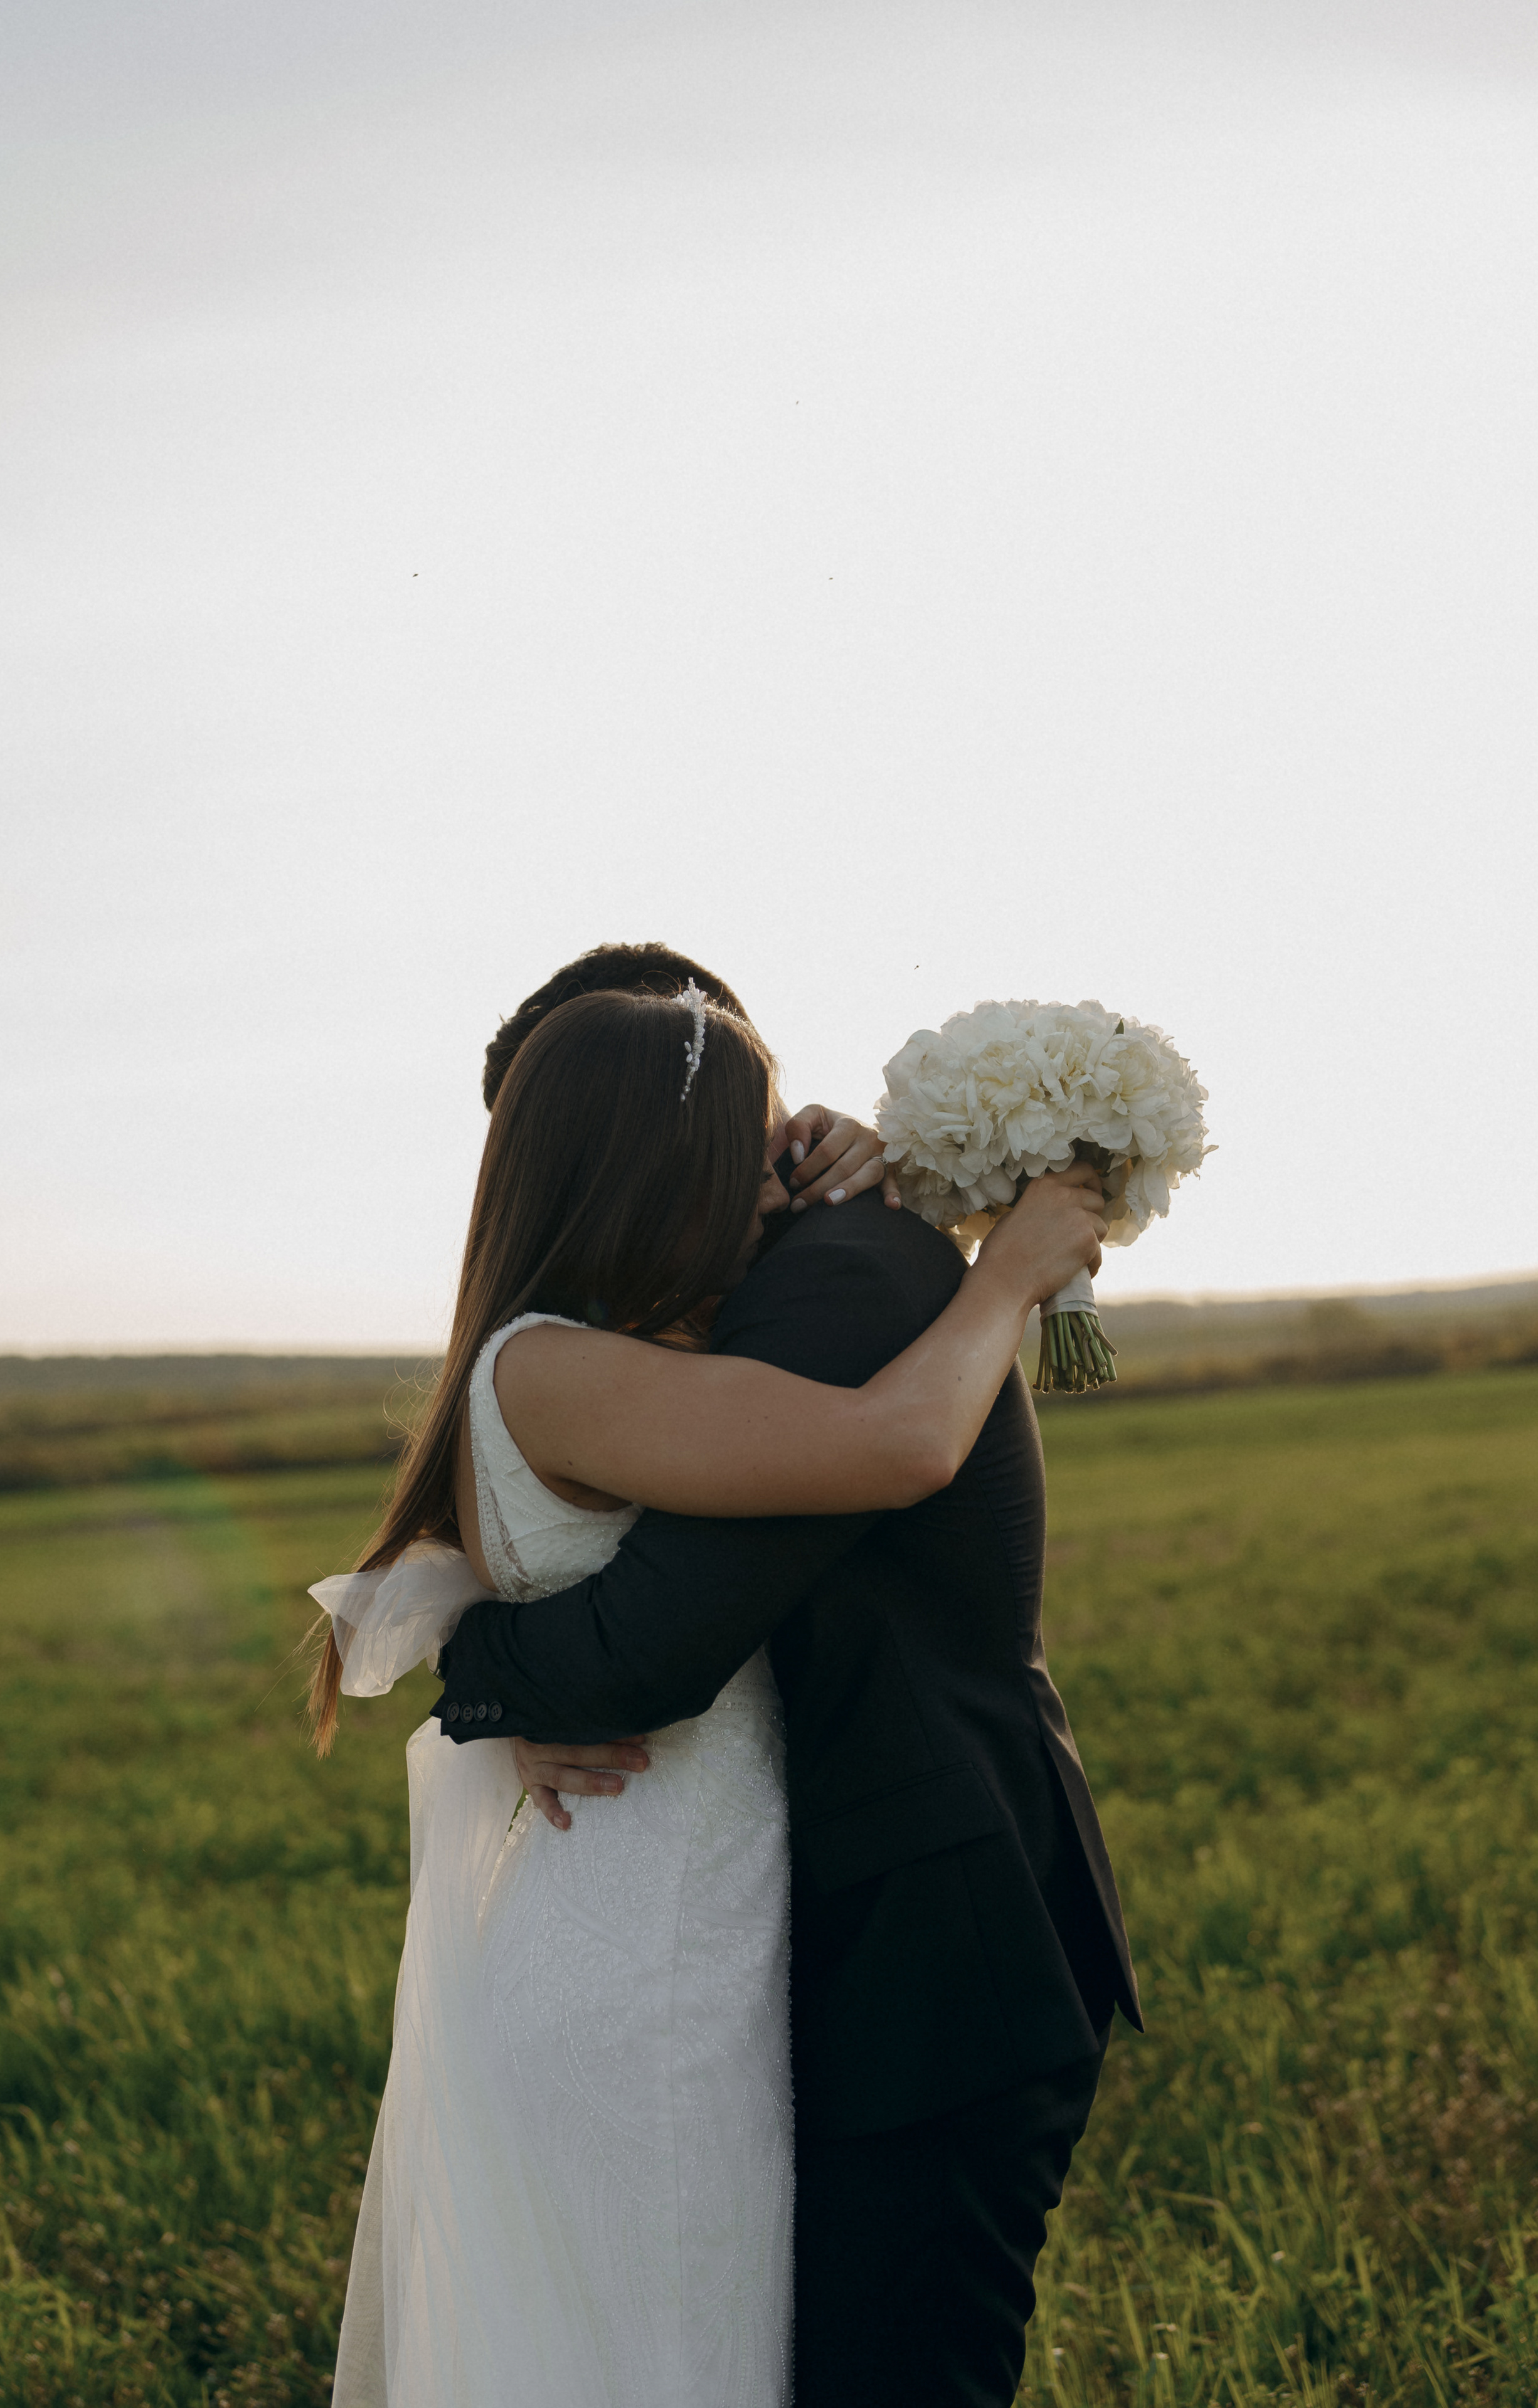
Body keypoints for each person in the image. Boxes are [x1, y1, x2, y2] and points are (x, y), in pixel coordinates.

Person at [307, 949, 1115, 2408]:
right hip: (666, 1937)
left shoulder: (824, 1275)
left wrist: (486, 1673)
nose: (771, 1172)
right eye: (741, 1144)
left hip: (916, 1931)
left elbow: (609, 1614)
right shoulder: (587, 1355)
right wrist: (1004, 1273)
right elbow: (666, 1628)